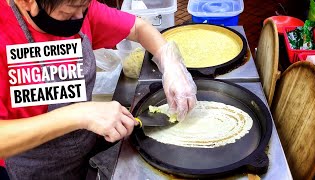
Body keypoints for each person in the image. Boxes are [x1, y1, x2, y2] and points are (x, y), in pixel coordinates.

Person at [0, 0, 197, 179]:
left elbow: (138, 27)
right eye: (68, 13)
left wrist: (170, 62)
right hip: (32, 169)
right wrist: (78, 115)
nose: (80, 17)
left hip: (81, 153)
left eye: (83, 8)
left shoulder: (77, 5)